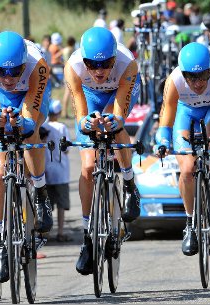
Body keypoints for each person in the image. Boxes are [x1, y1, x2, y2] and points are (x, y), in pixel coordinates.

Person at [0, 30, 52, 283]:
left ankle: (40, 194)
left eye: (14, 71)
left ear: (23, 64)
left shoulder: (37, 66)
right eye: (1, 71)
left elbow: (31, 115)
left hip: (31, 94)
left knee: (30, 133)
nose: (8, 78)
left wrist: (24, 122)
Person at [64, 26, 141, 275]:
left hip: (118, 92)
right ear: (83, 59)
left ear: (114, 59)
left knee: (112, 123)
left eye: (105, 64)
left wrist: (112, 120)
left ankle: (129, 183)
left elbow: (119, 114)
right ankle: (88, 237)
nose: (98, 71)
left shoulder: (127, 63)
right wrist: (85, 122)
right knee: (88, 167)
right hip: (88, 95)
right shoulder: (73, 66)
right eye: (92, 64)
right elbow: (80, 112)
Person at [155, 42, 210, 256]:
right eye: (191, 77)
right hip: (186, 113)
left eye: (203, 76)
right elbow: (165, 124)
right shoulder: (174, 81)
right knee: (187, 168)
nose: (198, 83)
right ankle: (190, 224)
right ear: (183, 74)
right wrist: (163, 142)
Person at [41, 100, 72, 242]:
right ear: (59, 112)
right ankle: (60, 232)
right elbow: (66, 150)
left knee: (47, 204)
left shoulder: (43, 126)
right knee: (61, 205)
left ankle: (46, 233)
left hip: (46, 170)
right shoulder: (62, 127)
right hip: (61, 171)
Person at [61, 36, 76, 118]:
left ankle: (64, 111)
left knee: (67, 93)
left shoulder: (64, 49)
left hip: (65, 70)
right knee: (70, 93)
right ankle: (68, 112)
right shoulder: (71, 50)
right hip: (70, 72)